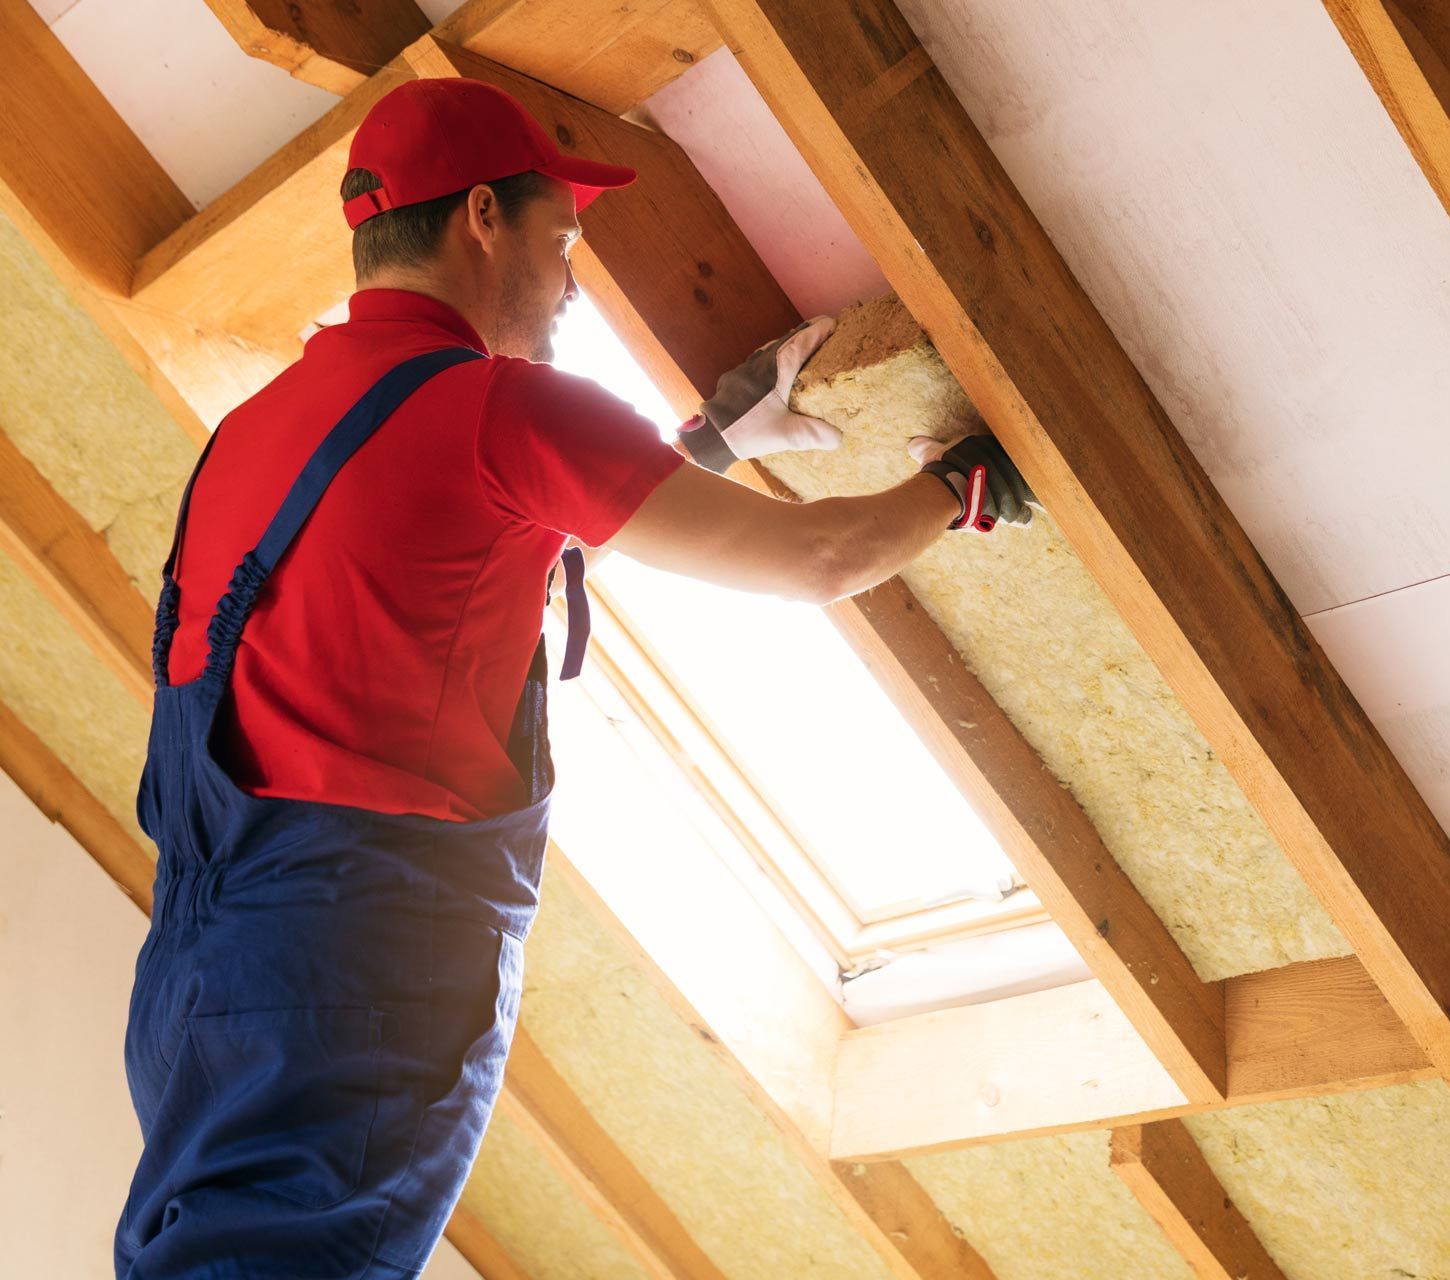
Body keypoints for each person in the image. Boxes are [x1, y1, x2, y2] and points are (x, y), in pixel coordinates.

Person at [115, 75, 1034, 1279]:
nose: (570, 280)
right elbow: (818, 558)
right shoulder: (506, 409)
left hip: (198, 988)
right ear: (482, 217)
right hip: (361, 969)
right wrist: (962, 485)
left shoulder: (253, 430)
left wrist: (702, 448)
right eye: (565, 238)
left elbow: (449, 568)